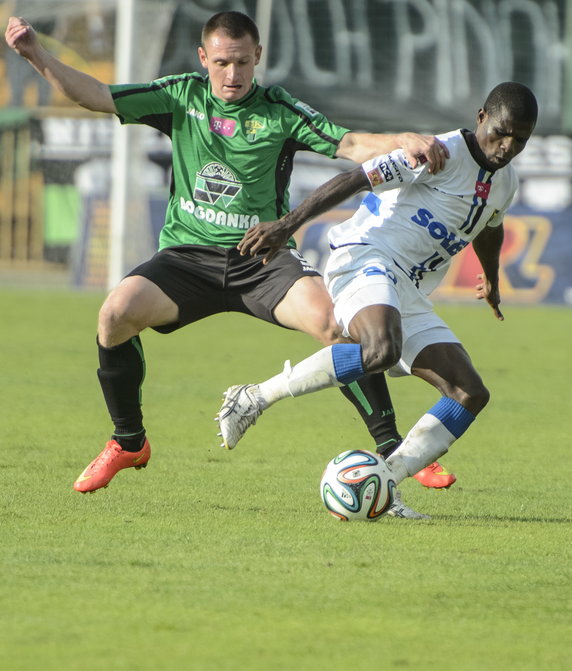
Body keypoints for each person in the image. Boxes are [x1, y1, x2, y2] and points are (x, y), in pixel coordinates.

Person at [5, 11, 452, 501]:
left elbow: (349, 143)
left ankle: (392, 451)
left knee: (337, 326)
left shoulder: (279, 110)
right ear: (204, 59)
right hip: (187, 258)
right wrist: (36, 54)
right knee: (114, 315)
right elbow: (96, 95)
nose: (232, 74)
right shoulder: (181, 96)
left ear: (257, 56)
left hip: (262, 260)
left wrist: (401, 141)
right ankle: (129, 440)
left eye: (241, 62)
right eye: (221, 62)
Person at [217, 82, 538, 518]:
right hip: (365, 256)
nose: (508, 146)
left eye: (520, 139)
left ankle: (385, 483)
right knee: (380, 349)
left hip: (408, 288)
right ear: (481, 116)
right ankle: (254, 398)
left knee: (469, 393)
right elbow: (354, 178)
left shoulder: (507, 182)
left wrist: (493, 279)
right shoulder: (436, 153)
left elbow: (490, 225)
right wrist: (287, 224)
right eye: (502, 132)